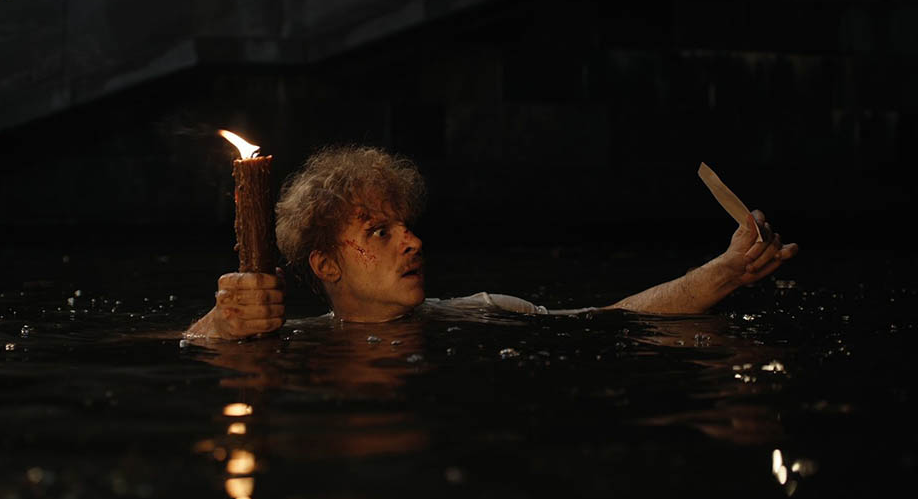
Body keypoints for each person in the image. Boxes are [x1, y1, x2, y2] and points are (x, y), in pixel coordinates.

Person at [186, 145, 798, 340]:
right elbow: (172, 345)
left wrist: (727, 270)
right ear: (326, 264)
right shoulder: (293, 341)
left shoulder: (484, 312)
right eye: (379, 232)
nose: (412, 242)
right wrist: (219, 324)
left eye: (405, 225)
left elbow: (612, 316)